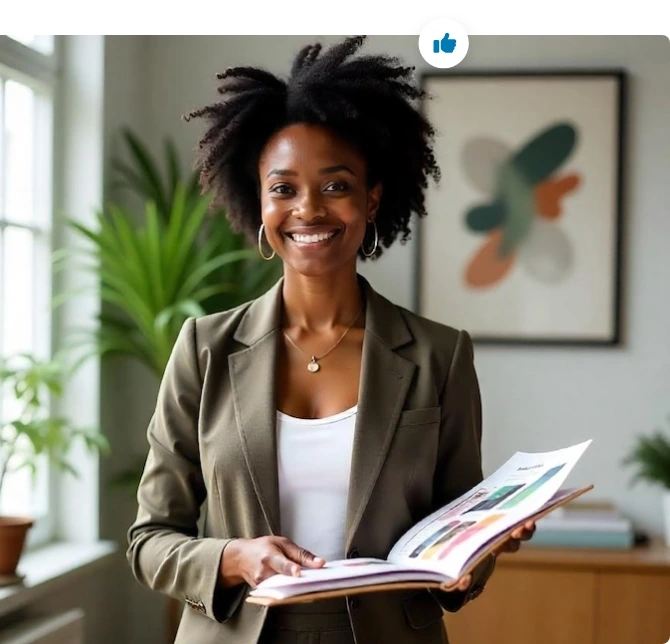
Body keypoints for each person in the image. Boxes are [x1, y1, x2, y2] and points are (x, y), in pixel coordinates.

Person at [126, 36, 535, 644]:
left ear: (372, 200)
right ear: (259, 204)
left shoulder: (439, 356)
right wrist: (235, 558)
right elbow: (150, 541)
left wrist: (477, 554)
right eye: (283, 188)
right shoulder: (203, 349)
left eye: (336, 186)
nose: (308, 209)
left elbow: (457, 536)